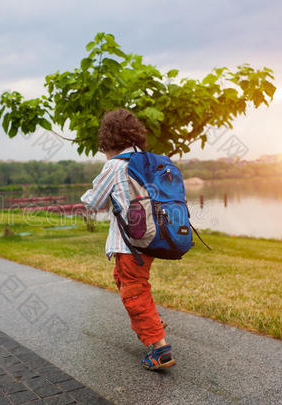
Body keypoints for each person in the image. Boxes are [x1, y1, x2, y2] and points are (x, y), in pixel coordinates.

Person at [81, 108, 175, 371]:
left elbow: (96, 202)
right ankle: (151, 319)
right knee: (125, 280)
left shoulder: (114, 165)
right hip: (151, 238)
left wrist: (85, 195)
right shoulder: (146, 160)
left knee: (133, 292)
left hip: (130, 244)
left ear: (107, 139)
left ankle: (159, 348)